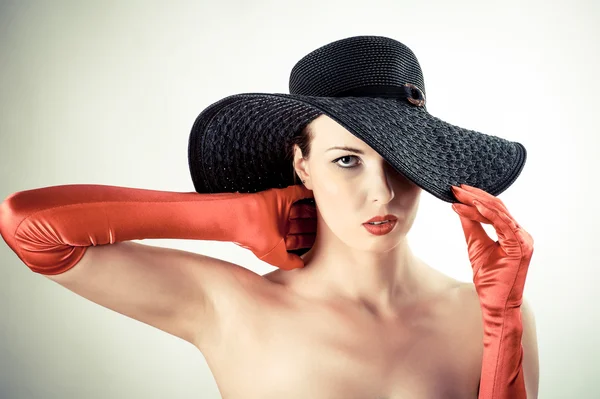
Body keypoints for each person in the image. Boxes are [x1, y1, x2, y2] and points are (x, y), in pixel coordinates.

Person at [0, 36, 539, 398]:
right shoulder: (229, 305)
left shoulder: (486, 311)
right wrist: (236, 217)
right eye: (346, 160)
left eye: (400, 160)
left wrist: (503, 323)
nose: (381, 192)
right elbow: (30, 227)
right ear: (301, 165)